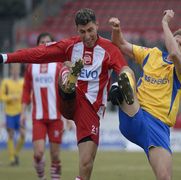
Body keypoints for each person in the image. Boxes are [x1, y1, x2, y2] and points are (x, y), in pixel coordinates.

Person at [0, 8, 127, 180]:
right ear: (77, 30)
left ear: (97, 26)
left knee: (86, 164)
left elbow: (125, 70)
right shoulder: (70, 46)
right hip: (68, 99)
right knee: (65, 74)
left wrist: (121, 83)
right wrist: (5, 57)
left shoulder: (109, 50)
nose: (87, 35)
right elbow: (38, 53)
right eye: (82, 32)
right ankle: (69, 74)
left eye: (90, 30)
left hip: (90, 110)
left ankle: (70, 73)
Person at [108, 9, 181, 180]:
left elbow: (174, 54)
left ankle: (122, 89)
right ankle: (121, 89)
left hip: (158, 126)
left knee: (164, 177)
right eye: (175, 41)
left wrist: (165, 24)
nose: (176, 46)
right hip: (136, 114)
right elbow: (120, 44)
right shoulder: (152, 54)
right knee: (127, 72)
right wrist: (117, 29)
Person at [20, 32, 65, 180]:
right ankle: (41, 177)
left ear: (53, 45)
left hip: (56, 117)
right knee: (38, 154)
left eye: (48, 42)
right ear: (37, 45)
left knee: (55, 155)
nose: (45, 44)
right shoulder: (31, 67)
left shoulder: (59, 66)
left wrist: (69, 118)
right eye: (42, 42)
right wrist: (22, 113)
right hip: (38, 117)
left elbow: (65, 92)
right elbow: (26, 90)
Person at [0, 63, 25, 166]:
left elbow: (27, 96)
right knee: (10, 134)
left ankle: (15, 154)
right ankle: (12, 159)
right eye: (13, 69)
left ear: (19, 70)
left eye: (17, 69)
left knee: (23, 134)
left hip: (19, 113)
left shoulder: (22, 82)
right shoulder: (6, 82)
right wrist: (11, 97)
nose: (15, 71)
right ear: (10, 70)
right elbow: (1, 97)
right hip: (9, 112)